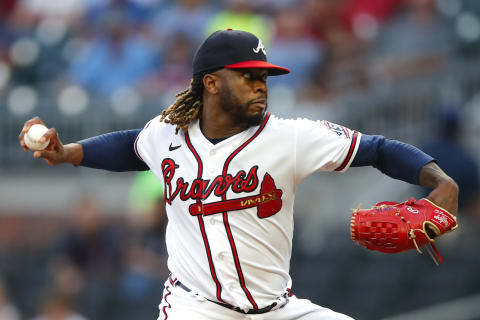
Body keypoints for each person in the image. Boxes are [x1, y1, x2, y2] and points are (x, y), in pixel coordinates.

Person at [19, 29, 458, 320]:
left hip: (277, 308)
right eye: (248, 76)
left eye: (264, 77)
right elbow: (130, 146)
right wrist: (69, 152)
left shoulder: (291, 137)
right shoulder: (167, 135)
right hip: (197, 308)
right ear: (211, 83)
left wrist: (439, 179)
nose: (260, 85)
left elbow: (377, 149)